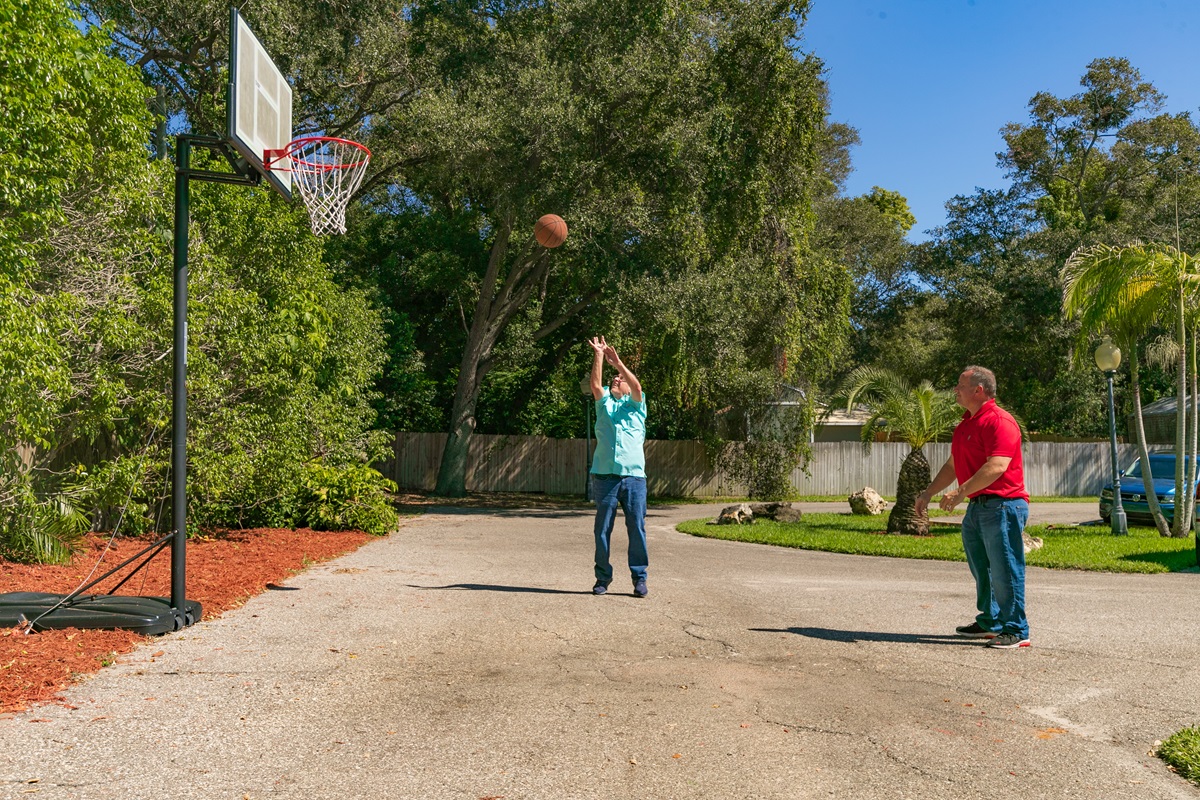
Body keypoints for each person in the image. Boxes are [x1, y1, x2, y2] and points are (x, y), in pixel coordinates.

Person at [915, 366, 1031, 649]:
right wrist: (929, 493)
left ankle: (1017, 629)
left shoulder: (1000, 421)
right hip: (978, 508)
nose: (956, 389)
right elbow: (954, 465)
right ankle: (991, 622)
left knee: (1005, 569)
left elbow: (997, 466)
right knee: (982, 568)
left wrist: (959, 492)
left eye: (960, 384)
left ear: (979, 390)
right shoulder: (966, 424)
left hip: (1003, 506)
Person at [587, 336, 649, 598]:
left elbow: (636, 385)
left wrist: (619, 363)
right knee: (602, 530)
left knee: (636, 528)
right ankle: (603, 577)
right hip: (605, 478)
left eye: (619, 379)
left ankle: (640, 579)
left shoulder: (637, 405)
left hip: (635, 479)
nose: (615, 380)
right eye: (613, 378)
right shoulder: (605, 406)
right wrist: (600, 355)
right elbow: (594, 384)